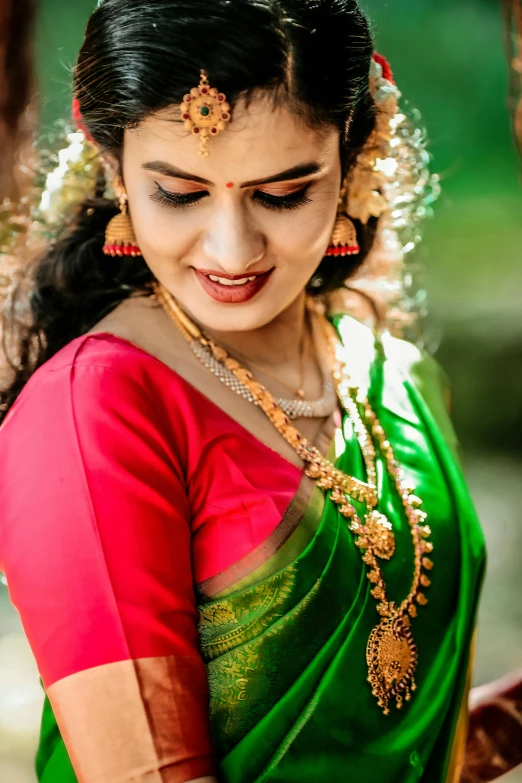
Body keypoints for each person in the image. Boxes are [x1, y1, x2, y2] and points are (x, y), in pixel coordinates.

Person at [0, 1, 486, 782]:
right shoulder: (96, 411)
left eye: (284, 193)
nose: (232, 250)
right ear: (113, 167)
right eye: (180, 194)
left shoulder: (391, 373)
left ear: (355, 157)